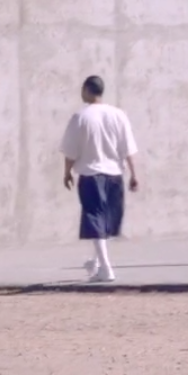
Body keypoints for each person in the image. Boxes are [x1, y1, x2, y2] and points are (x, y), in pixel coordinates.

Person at [60, 75, 140, 283]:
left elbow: (70, 150)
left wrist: (67, 172)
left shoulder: (80, 117)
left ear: (87, 90)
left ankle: (105, 268)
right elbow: (128, 147)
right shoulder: (118, 115)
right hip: (114, 174)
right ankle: (95, 263)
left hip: (91, 174)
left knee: (95, 219)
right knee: (105, 222)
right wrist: (134, 174)